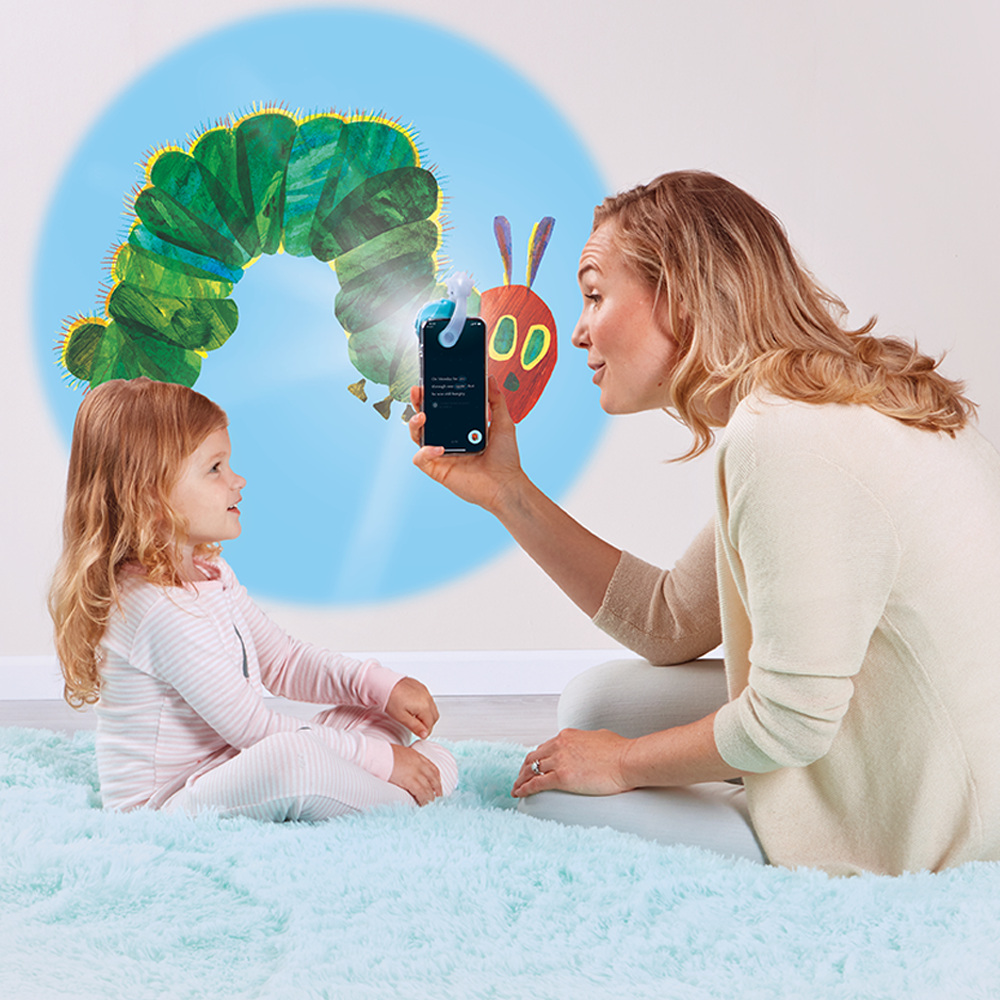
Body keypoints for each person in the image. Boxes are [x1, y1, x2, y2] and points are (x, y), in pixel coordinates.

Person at [409, 170, 1000, 875]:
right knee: (597, 703)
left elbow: (791, 722)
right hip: (908, 738)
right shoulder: (814, 404)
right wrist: (509, 492)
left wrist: (625, 765)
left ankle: (800, 832)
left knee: (563, 800)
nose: (577, 332)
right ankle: (730, 787)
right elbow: (668, 622)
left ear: (681, 297)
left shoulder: (786, 441)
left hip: (930, 818)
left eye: (596, 295)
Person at [49, 377, 457, 820]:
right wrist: (387, 762)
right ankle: (407, 799)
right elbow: (255, 730)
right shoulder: (153, 609)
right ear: (149, 495)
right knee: (294, 760)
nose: (237, 480)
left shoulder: (211, 574)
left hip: (229, 766)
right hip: (167, 805)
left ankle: (386, 776)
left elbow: (283, 661)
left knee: (373, 714)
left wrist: (378, 686)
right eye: (215, 468)